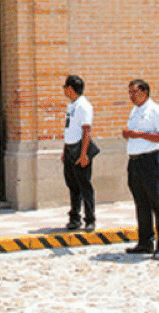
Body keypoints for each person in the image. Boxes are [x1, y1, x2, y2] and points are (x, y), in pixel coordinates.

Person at [121, 78, 159, 259]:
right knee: (141, 203)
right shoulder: (134, 111)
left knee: (155, 203)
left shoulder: (155, 110)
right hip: (134, 161)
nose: (131, 96)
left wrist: (138, 134)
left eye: (134, 92)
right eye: (130, 92)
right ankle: (145, 242)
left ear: (145, 92)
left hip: (150, 161)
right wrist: (129, 135)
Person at [61, 74, 95, 232]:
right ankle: (75, 217)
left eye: (65, 87)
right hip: (70, 149)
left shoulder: (83, 105)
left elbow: (86, 131)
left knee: (84, 185)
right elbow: (68, 129)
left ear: (70, 89)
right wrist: (64, 149)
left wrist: (84, 154)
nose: (63, 90)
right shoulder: (71, 105)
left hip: (79, 149)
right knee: (72, 185)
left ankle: (90, 219)